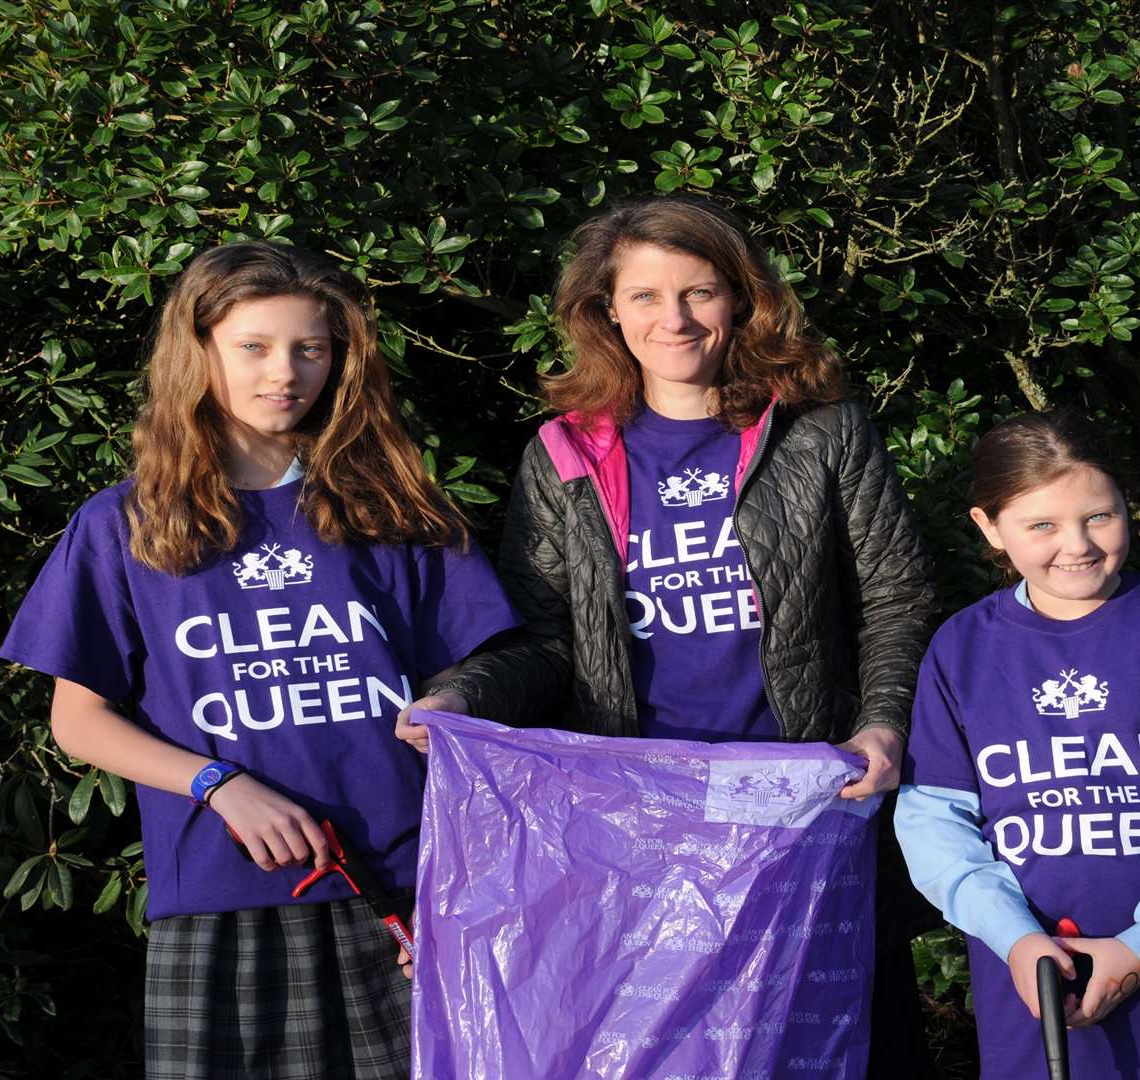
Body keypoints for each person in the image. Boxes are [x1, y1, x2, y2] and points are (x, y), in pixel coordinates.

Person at [397, 194, 938, 1069]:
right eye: (645, 296)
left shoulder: (822, 432)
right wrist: (461, 696)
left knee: (843, 1047)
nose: (674, 318)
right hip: (642, 830)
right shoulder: (564, 453)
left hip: (805, 812)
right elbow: (545, 638)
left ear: (741, 299)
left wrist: (883, 722)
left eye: (699, 292)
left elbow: (896, 598)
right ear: (607, 311)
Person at [0, 242, 521, 1079]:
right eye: (254, 346)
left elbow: (486, 670)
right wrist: (219, 784)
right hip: (221, 890)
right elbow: (78, 721)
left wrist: (454, 707)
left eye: (310, 348)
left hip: (399, 887)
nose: (285, 372)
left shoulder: (390, 505)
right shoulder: (124, 522)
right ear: (199, 352)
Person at [896, 409, 1140, 1079]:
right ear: (989, 528)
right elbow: (933, 820)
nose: (1075, 545)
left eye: (1098, 517)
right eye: (1041, 525)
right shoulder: (961, 649)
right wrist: (1016, 940)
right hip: (1031, 979)